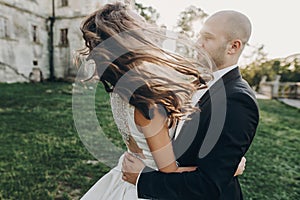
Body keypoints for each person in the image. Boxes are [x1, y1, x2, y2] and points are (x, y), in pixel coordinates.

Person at [78, 3, 247, 200]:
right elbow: (169, 171)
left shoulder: (121, 88)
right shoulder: (148, 101)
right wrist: (227, 169)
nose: (150, 27)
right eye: (142, 23)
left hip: (124, 177)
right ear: (132, 36)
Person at [122, 10, 259, 200]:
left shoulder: (237, 101)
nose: (197, 43)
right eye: (199, 35)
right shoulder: (193, 81)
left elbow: (209, 185)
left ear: (233, 47)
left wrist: (142, 179)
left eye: (207, 38)